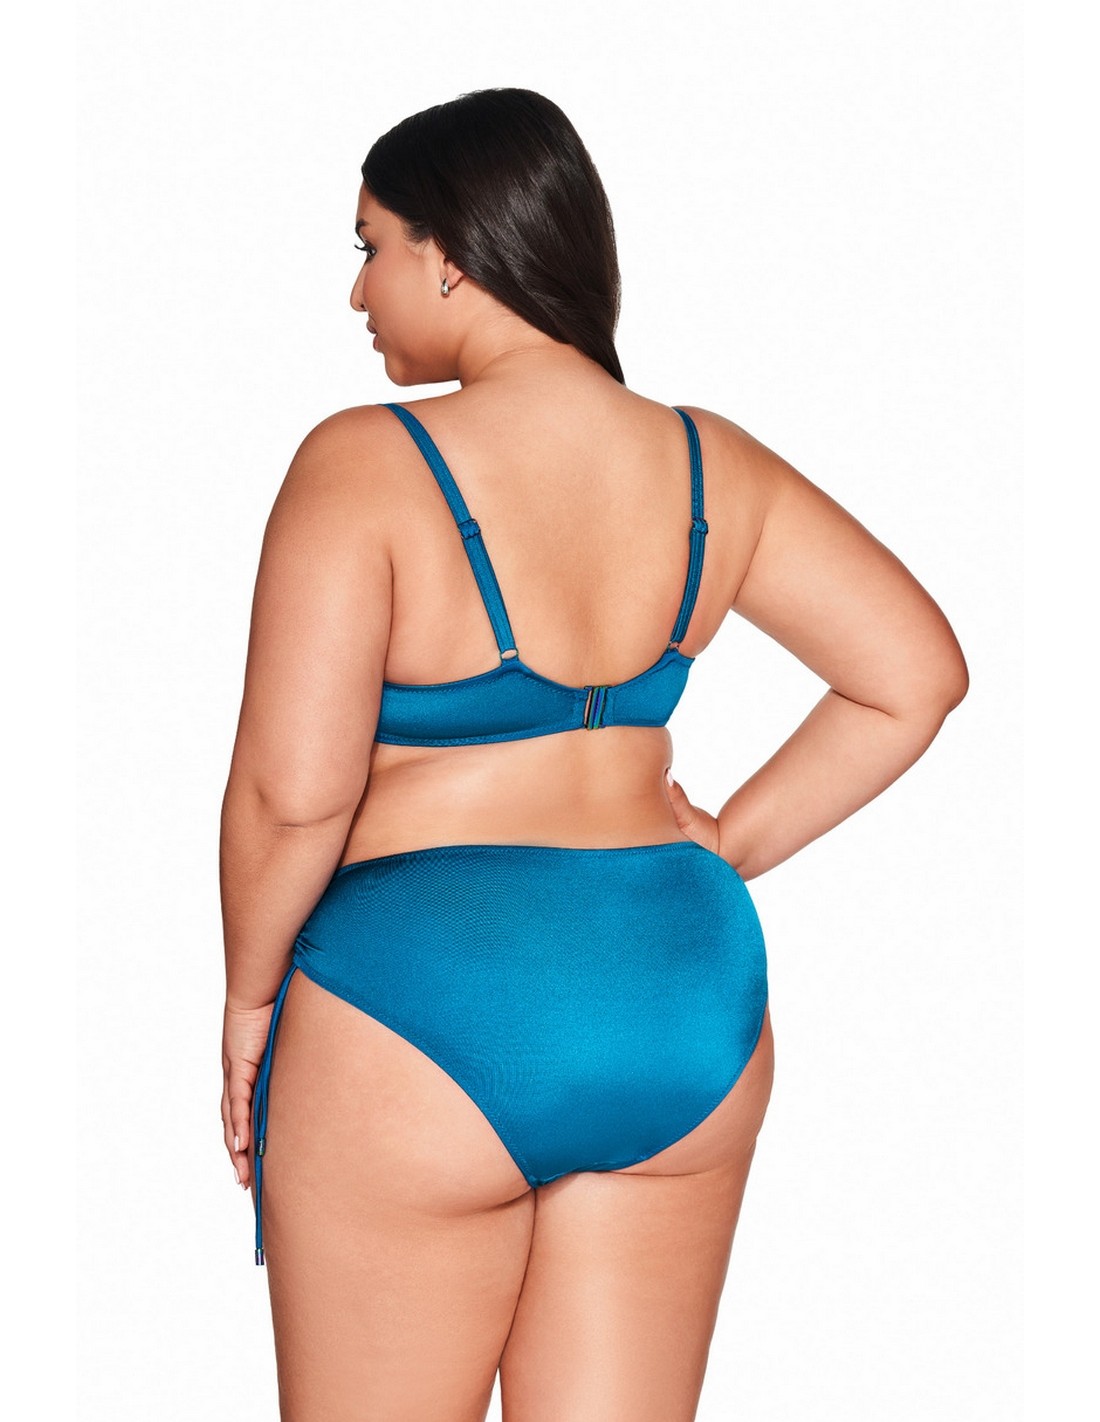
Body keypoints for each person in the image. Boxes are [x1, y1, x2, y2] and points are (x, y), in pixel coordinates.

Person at [219, 87, 967, 1421]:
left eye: (371, 246)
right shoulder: (708, 464)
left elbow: (294, 796)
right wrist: (726, 845)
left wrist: (248, 1002)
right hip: (678, 997)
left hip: (418, 1003)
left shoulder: (362, 464)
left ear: (453, 253)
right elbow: (915, 675)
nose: (359, 292)